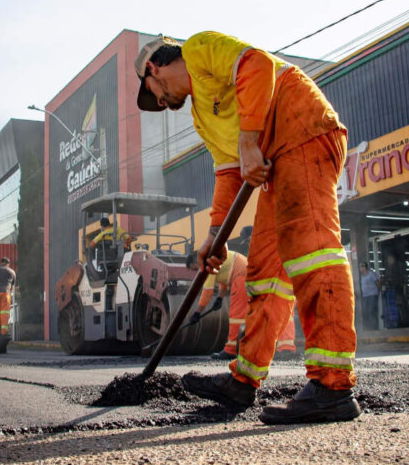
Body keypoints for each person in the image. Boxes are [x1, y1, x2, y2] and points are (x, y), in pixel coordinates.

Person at [135, 32, 360, 424]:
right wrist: (214, 236)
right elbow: (229, 171)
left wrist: (250, 141)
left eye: (152, 92)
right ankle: (244, 379)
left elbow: (256, 64)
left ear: (153, 68)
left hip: (303, 128)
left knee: (313, 254)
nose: (159, 102)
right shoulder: (203, 117)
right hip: (277, 160)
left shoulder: (199, 48)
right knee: (264, 274)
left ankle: (332, 386)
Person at [186, 250, 295, 360]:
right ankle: (285, 346)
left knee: (236, 315)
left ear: (198, 261)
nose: (197, 272)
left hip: (241, 276)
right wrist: (219, 298)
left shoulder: (206, 264)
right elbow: (224, 278)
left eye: (195, 269)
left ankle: (231, 349)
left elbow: (207, 292)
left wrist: (197, 313)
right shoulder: (214, 257)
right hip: (249, 273)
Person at [360, 263, 381, 330]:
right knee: (366, 311)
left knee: (371, 311)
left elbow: (377, 282)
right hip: (365, 296)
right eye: (360, 267)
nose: (360, 268)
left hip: (372, 294)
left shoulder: (371, 274)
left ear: (365, 267)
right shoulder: (361, 276)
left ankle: (374, 328)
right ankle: (368, 328)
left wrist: (378, 292)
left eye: (362, 266)